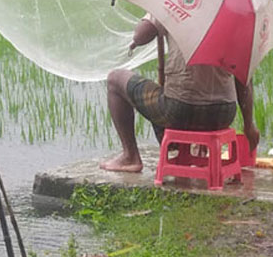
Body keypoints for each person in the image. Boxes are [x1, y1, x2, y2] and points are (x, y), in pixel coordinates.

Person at [100, 15, 259, 172]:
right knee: (163, 94)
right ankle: (183, 149)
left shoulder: (177, 4)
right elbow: (244, 78)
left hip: (180, 110)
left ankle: (130, 156)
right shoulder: (233, 16)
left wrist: (156, 8)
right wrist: (248, 125)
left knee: (115, 79)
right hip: (223, 114)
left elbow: (140, 36)